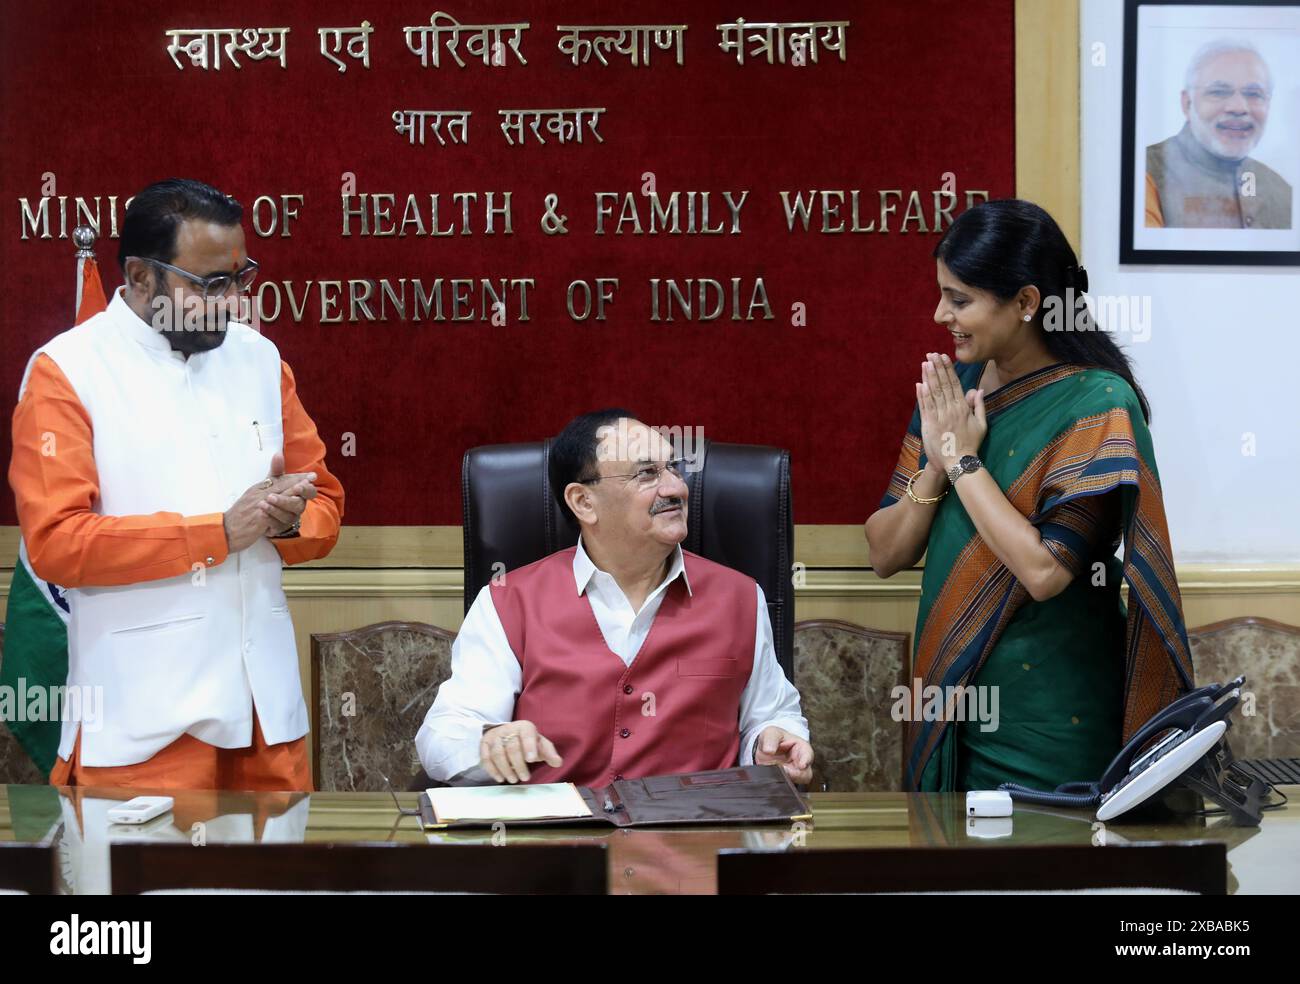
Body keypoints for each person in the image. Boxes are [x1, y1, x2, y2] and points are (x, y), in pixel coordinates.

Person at [9, 178, 344, 791]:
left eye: (241, 279)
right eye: (208, 285)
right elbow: (57, 542)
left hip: (269, 727)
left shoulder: (259, 359)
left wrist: (288, 519)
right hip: (143, 732)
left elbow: (324, 503)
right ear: (140, 277)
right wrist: (217, 533)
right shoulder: (68, 372)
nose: (232, 302)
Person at [865, 199, 1193, 792]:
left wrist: (965, 462)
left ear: (1025, 302)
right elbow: (884, 553)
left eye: (960, 298)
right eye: (942, 293)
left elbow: (1044, 571)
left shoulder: (1097, 404)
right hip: (952, 704)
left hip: (1053, 716)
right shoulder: (956, 389)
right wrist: (937, 467)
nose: (941, 314)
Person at [416, 410, 811, 786]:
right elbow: (443, 735)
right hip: (556, 845)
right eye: (647, 474)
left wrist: (768, 743)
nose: (676, 487)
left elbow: (773, 715)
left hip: (693, 840)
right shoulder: (507, 602)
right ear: (583, 502)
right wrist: (489, 742)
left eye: (672, 468)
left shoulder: (739, 598)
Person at [1145, 39, 1292, 229]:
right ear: (1187, 103)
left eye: (1254, 94)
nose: (1238, 107)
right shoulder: (1145, 173)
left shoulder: (1283, 192)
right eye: (1219, 92)